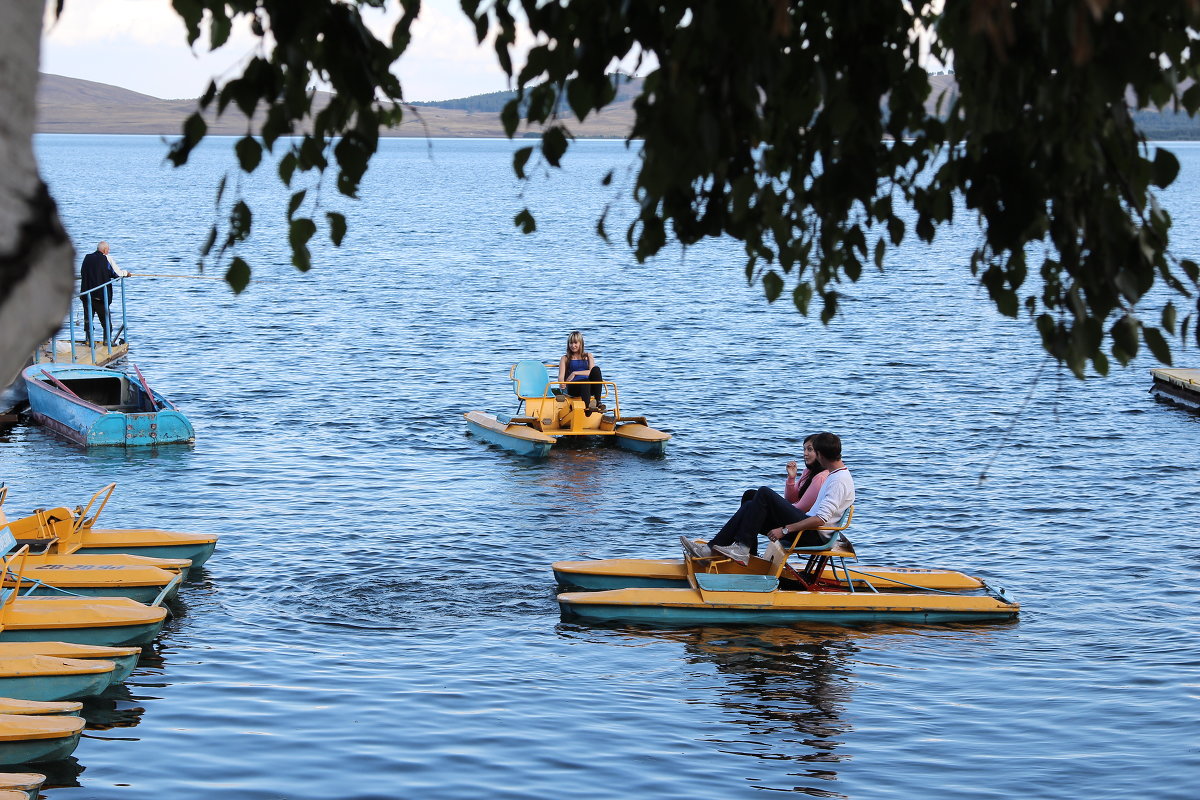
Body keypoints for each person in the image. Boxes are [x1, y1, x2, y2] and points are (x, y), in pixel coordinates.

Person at [680, 432, 855, 565]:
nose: (809, 454)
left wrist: (785, 530)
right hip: (808, 529)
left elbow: (820, 519)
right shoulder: (835, 474)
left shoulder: (838, 480)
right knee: (750, 504)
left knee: (763, 492)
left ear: (821, 455)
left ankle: (742, 549)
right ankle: (711, 551)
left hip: (813, 535)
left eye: (813, 451)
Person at [79, 241, 130, 344]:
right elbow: (116, 274)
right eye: (108, 249)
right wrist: (125, 273)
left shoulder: (87, 258)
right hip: (100, 296)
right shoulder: (105, 258)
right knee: (105, 319)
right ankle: (107, 341)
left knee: (88, 318)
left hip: (86, 294)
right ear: (105, 250)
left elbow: (83, 272)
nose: (108, 251)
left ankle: (89, 339)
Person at [557, 330, 605, 413]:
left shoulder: (588, 356)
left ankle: (598, 402)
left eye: (575, 343)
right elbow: (561, 376)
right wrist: (562, 383)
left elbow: (591, 372)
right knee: (585, 381)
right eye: (571, 343)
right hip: (573, 387)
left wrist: (575, 373)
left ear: (580, 343)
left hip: (588, 386)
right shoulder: (565, 358)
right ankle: (587, 408)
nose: (573, 345)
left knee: (596, 369)